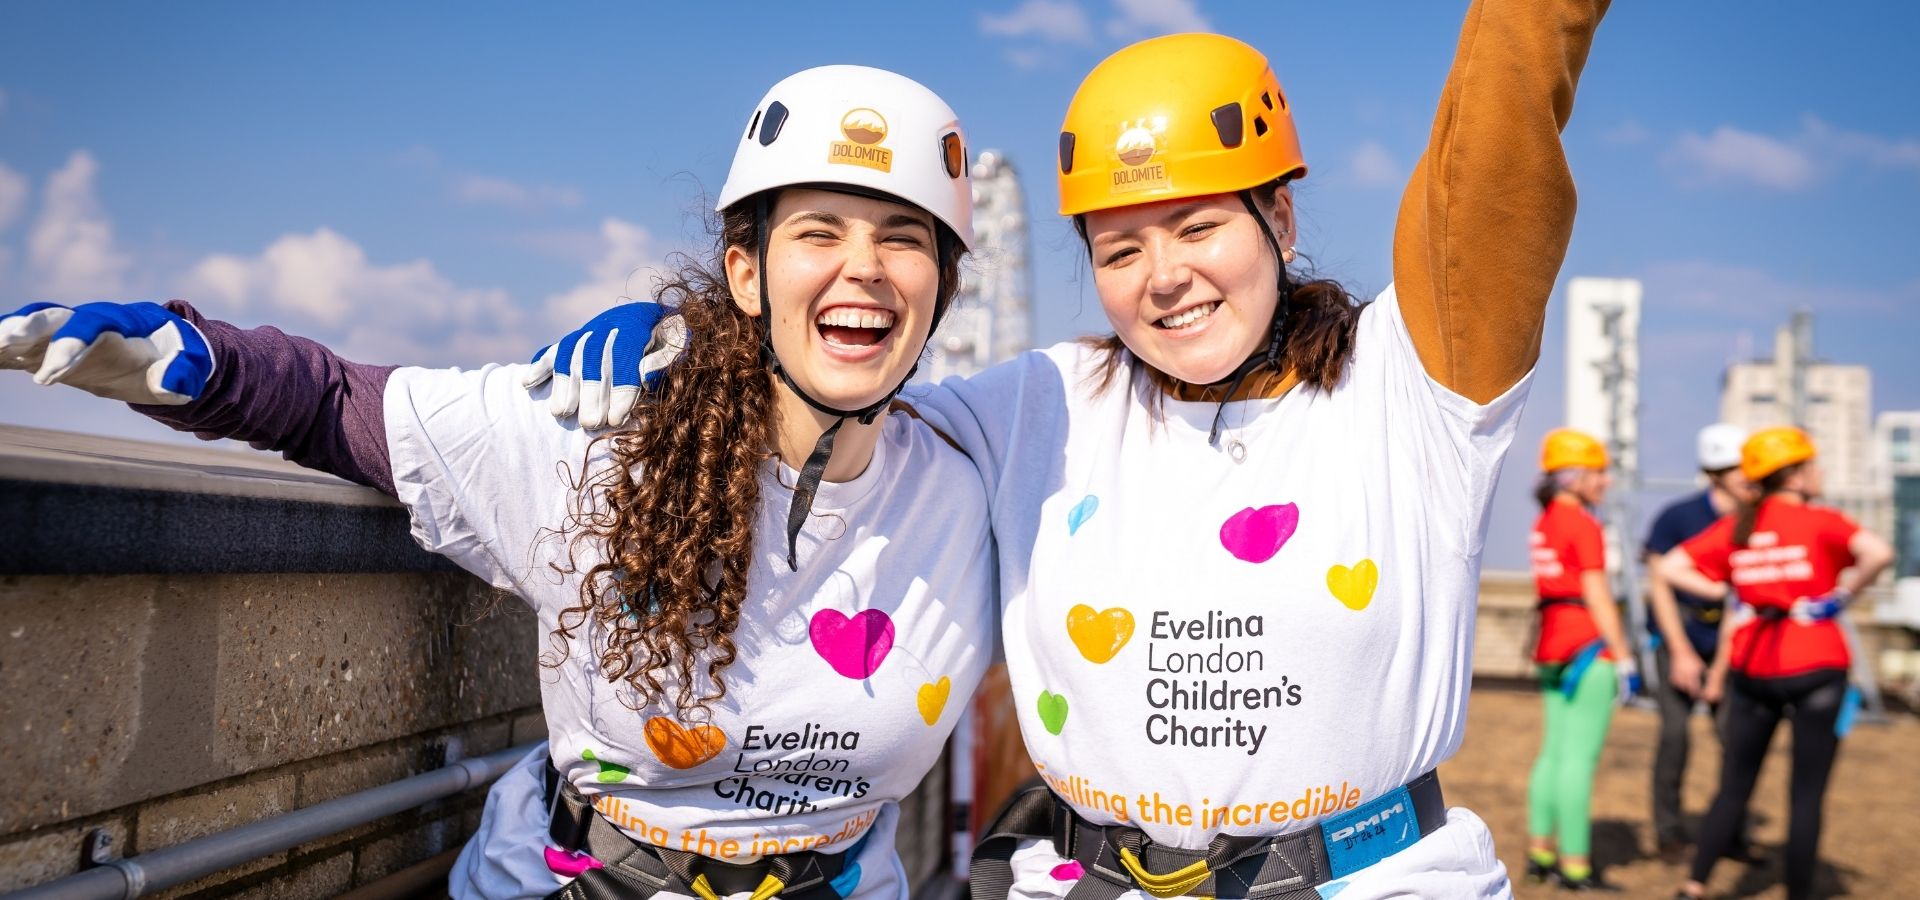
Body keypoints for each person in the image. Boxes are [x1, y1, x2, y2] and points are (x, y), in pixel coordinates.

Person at [534, 2, 1609, 895]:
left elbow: (1499, 138)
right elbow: (835, 386)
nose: (1165, 276)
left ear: (1280, 220)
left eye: (1200, 226)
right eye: (1120, 248)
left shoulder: (1414, 388)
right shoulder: (1039, 405)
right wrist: (693, 341)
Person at [0, 66, 996, 900]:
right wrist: (203, 364)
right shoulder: (602, 433)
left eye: (902, 238)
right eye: (819, 230)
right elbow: (337, 404)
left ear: (942, 288)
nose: (864, 267)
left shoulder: (971, 489)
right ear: (746, 274)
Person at [1662, 427, 1894, 900]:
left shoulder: (1739, 526)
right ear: (1795, 474)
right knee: (1806, 794)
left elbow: (1670, 567)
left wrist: (1730, 589)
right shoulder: (1820, 520)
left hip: (1754, 665)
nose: (1820, 472)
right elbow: (1879, 553)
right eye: (1814, 464)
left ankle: (1695, 884)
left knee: (1734, 785)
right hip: (1817, 662)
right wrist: (1842, 595)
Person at [1523, 428, 1637, 891]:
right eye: (1599, 472)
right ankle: (1575, 867)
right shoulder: (1583, 524)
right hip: (1589, 649)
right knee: (1578, 761)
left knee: (1552, 753)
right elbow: (1598, 595)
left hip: (1551, 646)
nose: (1606, 481)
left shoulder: (1545, 522)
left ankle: (1539, 854)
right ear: (1573, 476)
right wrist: (1625, 658)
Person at [1642, 423, 1752, 864]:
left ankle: (1731, 834)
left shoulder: (1754, 521)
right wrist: (1682, 653)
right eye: (1738, 467)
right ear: (1714, 472)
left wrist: (1721, 670)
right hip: (1678, 637)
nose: (1748, 475)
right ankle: (1669, 834)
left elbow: (1741, 600)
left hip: (1732, 641)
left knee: (1737, 740)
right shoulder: (1676, 517)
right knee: (1675, 736)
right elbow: (1659, 585)